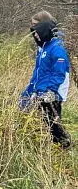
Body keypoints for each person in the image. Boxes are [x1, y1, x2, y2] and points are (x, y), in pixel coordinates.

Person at [20, 20, 71, 148]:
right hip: (39, 91)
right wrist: (30, 91)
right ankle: (52, 149)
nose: (36, 36)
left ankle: (64, 146)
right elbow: (38, 73)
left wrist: (50, 90)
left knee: (54, 124)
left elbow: (59, 73)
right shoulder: (43, 49)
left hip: (50, 94)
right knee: (43, 123)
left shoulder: (57, 48)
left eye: (37, 33)